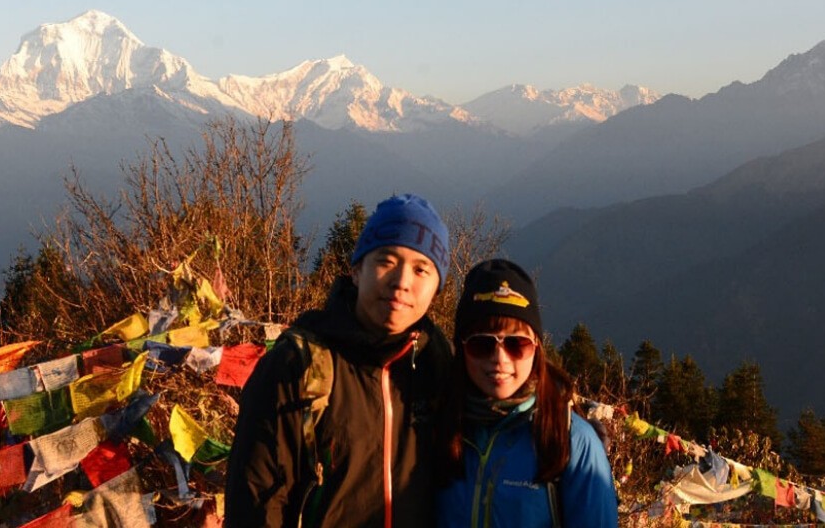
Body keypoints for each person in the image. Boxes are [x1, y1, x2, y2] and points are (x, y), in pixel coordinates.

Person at [226, 194, 455, 528]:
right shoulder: (298, 365)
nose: (402, 282)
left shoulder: (437, 366)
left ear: (437, 288)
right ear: (357, 269)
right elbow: (256, 502)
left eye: (422, 269)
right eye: (386, 261)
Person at [437, 259, 617, 527]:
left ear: (536, 349)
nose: (499, 358)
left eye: (516, 343)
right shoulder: (439, 426)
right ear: (461, 349)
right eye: (481, 344)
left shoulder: (570, 442)